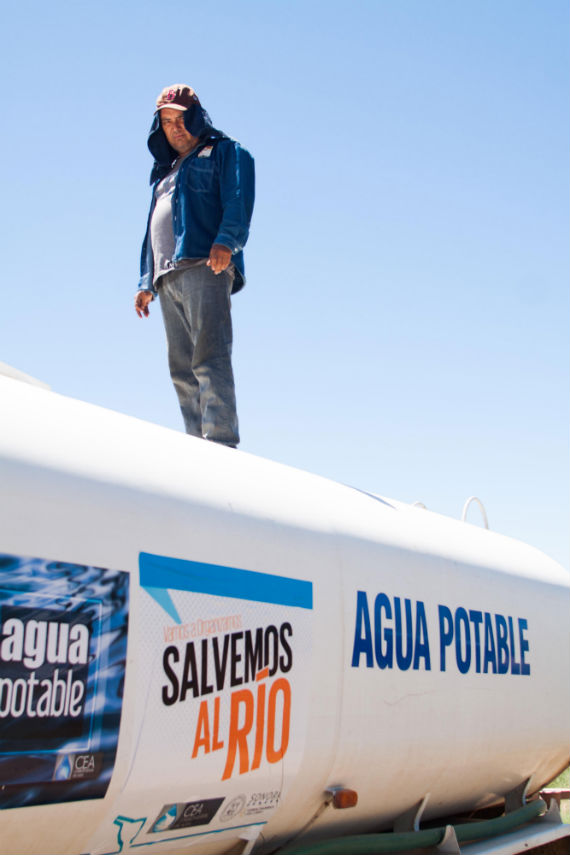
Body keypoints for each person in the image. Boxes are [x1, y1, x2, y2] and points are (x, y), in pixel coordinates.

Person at [134, 84, 255, 448]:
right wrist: (144, 281)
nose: (175, 128)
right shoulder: (164, 172)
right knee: (181, 367)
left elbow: (238, 199)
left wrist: (226, 242)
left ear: (197, 116)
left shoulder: (225, 152)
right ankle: (196, 443)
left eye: (181, 119)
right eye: (167, 122)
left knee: (208, 355)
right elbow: (152, 227)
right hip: (166, 276)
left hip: (206, 263)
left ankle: (220, 441)